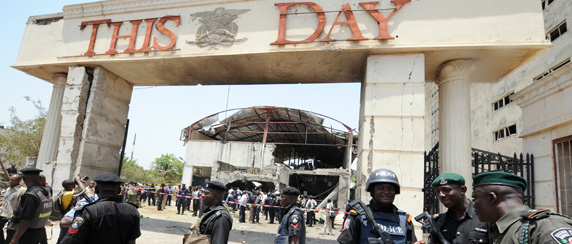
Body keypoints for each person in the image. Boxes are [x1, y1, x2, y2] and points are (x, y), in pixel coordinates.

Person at [472, 171, 572, 244]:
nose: (473, 205)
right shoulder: (502, 229)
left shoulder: (545, 226)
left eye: (475, 198)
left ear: (491, 198)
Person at [338, 168, 417, 244]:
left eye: (390, 188)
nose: (386, 192)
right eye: (380, 188)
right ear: (372, 191)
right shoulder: (358, 217)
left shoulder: (405, 220)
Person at [60, 172, 140, 244]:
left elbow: (71, 240)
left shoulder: (88, 211)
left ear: (96, 190)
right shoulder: (133, 211)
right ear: (119, 190)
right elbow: (131, 241)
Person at [429, 173, 489, 244]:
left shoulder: (486, 216)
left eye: (446, 189)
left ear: (463, 190)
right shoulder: (439, 222)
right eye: (438, 191)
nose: (441, 195)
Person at [5, 168, 52, 244]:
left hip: (26, 233)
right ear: (39, 178)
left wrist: (14, 240)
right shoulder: (45, 191)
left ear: (25, 179)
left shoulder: (31, 195)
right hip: (39, 230)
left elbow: (26, 220)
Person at [55, 176, 88, 244]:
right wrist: (78, 181)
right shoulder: (67, 194)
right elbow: (82, 190)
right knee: (63, 237)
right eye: (73, 184)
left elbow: (81, 195)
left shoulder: (64, 191)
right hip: (68, 217)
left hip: (67, 216)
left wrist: (80, 182)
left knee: (65, 236)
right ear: (70, 186)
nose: (74, 185)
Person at [0, 174, 26, 243]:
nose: (10, 181)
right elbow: (6, 199)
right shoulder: (8, 189)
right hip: (3, 213)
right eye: (10, 180)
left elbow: (21, 204)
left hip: (12, 215)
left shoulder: (22, 191)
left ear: (19, 181)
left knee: (10, 232)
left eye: (13, 180)